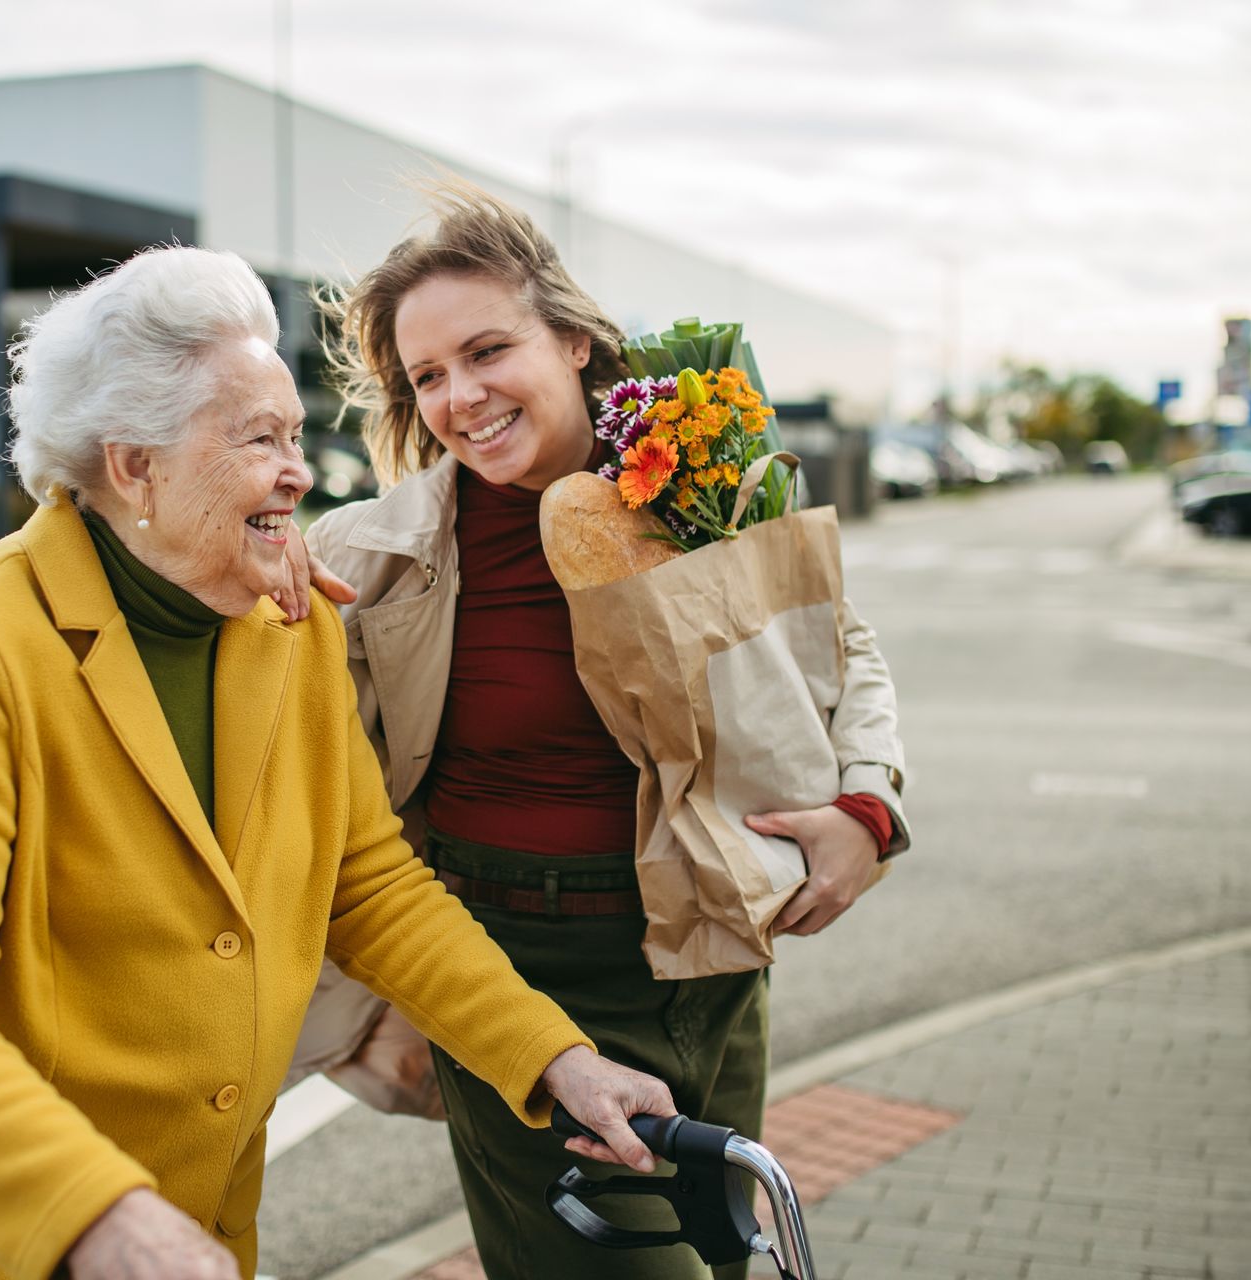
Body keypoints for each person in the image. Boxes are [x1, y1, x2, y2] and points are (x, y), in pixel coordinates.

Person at [0, 245, 677, 1280]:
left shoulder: (291, 620)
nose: (299, 472)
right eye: (260, 438)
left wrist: (556, 1056)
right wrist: (89, 1210)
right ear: (136, 465)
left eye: (297, 434)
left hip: (200, 1221)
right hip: (5, 1231)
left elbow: (370, 884)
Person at [282, 184, 910, 1280]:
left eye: (487, 350)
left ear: (571, 337)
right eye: (426, 376)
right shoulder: (368, 554)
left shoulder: (696, 480)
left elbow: (838, 644)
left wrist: (871, 804)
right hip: (513, 973)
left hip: (712, 954)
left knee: (723, 1259)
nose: (460, 396)